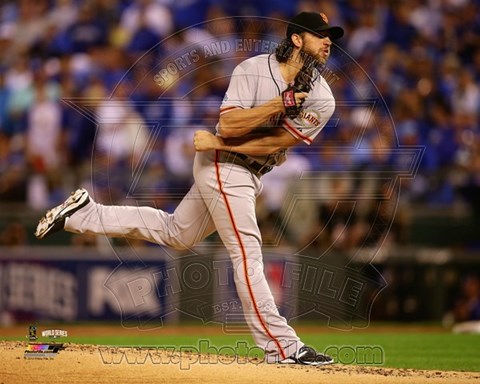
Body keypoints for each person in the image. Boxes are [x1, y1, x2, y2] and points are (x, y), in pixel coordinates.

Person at [35, 11, 344, 365]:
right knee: (247, 252)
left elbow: (273, 144)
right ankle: (284, 346)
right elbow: (228, 123)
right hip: (223, 169)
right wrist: (277, 106)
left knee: (177, 233)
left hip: (240, 166)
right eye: (320, 35)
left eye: (330, 36)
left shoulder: (322, 97)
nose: (328, 42)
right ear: (296, 39)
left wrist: (219, 144)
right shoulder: (254, 69)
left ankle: (85, 213)